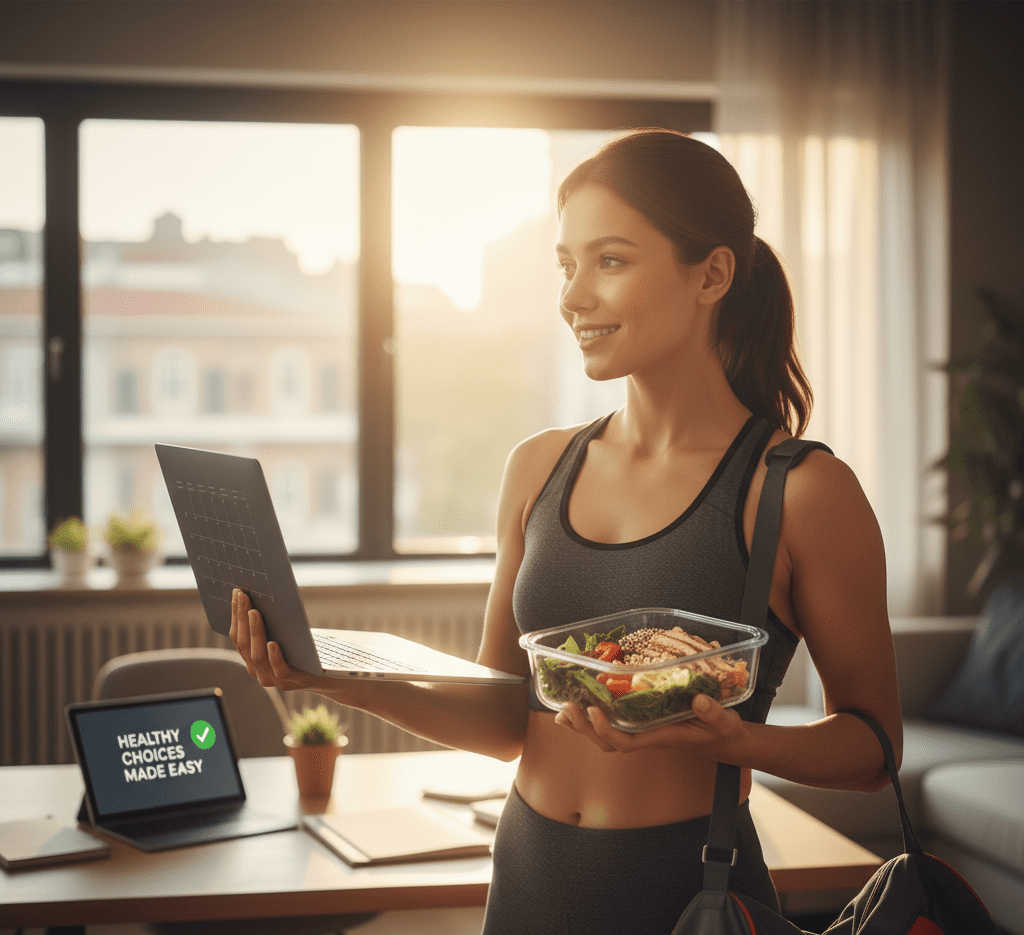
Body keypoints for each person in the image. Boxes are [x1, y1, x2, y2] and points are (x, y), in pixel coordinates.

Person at [229, 128, 902, 935]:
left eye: (609, 260)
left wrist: (733, 742)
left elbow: (875, 748)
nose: (572, 296)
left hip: (691, 896)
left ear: (712, 274)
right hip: (528, 883)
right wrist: (329, 678)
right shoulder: (538, 467)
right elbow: (505, 718)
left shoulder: (799, 489)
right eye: (565, 264)